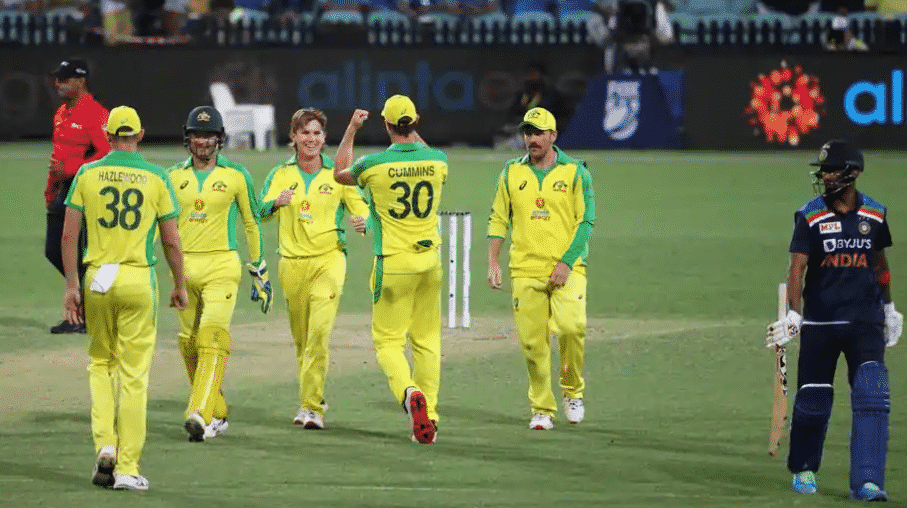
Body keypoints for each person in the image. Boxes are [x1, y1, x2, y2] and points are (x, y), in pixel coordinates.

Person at [766, 139, 903, 501]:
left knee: (873, 398)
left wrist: (889, 308)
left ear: (853, 173)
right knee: (813, 399)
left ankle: (868, 481)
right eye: (823, 170)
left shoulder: (875, 214)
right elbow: (796, 268)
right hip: (821, 323)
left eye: (832, 170)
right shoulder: (810, 215)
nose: (825, 176)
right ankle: (805, 468)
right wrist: (795, 314)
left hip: (866, 322)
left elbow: (881, 265)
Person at [62, 105, 188, 491]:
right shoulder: (157, 176)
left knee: (101, 364)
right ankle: (128, 468)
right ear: (140, 134)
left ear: (107, 135)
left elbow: (69, 235)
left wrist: (71, 286)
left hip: (97, 277)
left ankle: (105, 443)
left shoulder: (88, 173)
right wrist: (180, 284)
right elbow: (171, 240)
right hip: (137, 277)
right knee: (134, 376)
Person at [332, 95, 447, 444]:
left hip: (393, 264)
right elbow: (422, 149)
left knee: (388, 342)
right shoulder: (438, 161)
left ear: (386, 125)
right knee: (427, 341)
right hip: (430, 262)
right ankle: (431, 416)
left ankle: (409, 393)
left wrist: (352, 130)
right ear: (415, 122)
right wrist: (411, 130)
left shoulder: (373, 165)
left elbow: (339, 172)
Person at [258, 108, 369, 429]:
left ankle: (311, 408)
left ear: (324, 137)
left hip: (328, 261)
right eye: (305, 133)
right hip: (291, 265)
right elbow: (259, 211)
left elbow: (361, 207)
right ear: (293, 137)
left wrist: (363, 222)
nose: (311, 139)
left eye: (317, 133)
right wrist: (275, 203)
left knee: (318, 335)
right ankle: (312, 396)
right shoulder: (280, 174)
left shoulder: (338, 174)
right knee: (303, 339)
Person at [487, 107, 596, 431]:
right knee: (533, 345)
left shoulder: (576, 172)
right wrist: (493, 261)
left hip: (568, 269)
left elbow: (586, 221)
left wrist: (566, 261)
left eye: (538, 133)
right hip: (525, 269)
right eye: (528, 133)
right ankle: (542, 408)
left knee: (572, 328)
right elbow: (498, 219)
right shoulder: (511, 172)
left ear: (553, 136)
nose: (532, 139)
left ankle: (572, 391)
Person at [166, 105, 271, 442]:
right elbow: (160, 226)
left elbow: (252, 223)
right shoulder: (171, 177)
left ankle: (199, 412)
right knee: (189, 343)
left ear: (220, 138)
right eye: (197, 135)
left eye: (209, 135)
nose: (203, 141)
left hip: (222, 266)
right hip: (184, 270)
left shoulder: (237, 175)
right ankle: (218, 408)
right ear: (188, 138)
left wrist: (258, 268)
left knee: (211, 336)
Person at [46, 57, 111, 334]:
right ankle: (92, 302)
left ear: (81, 81)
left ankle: (86, 313)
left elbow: (107, 152)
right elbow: (57, 157)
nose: (58, 84)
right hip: (63, 188)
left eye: (64, 79)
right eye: (57, 79)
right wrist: (51, 189)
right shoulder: (62, 113)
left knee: (82, 251)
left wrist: (71, 168)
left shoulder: (96, 113)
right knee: (54, 249)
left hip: (86, 189)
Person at [588, 0, 674, 75]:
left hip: (646, 54)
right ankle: (611, 74)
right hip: (621, 53)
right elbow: (610, 35)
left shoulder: (656, 6)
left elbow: (667, 38)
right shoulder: (617, 4)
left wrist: (649, 38)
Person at [494, 62, 564, 150]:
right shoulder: (521, 95)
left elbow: (553, 117)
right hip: (520, 132)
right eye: (529, 74)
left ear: (542, 76)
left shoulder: (550, 96)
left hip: (542, 132)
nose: (530, 78)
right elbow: (514, 114)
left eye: (534, 74)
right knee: (500, 141)